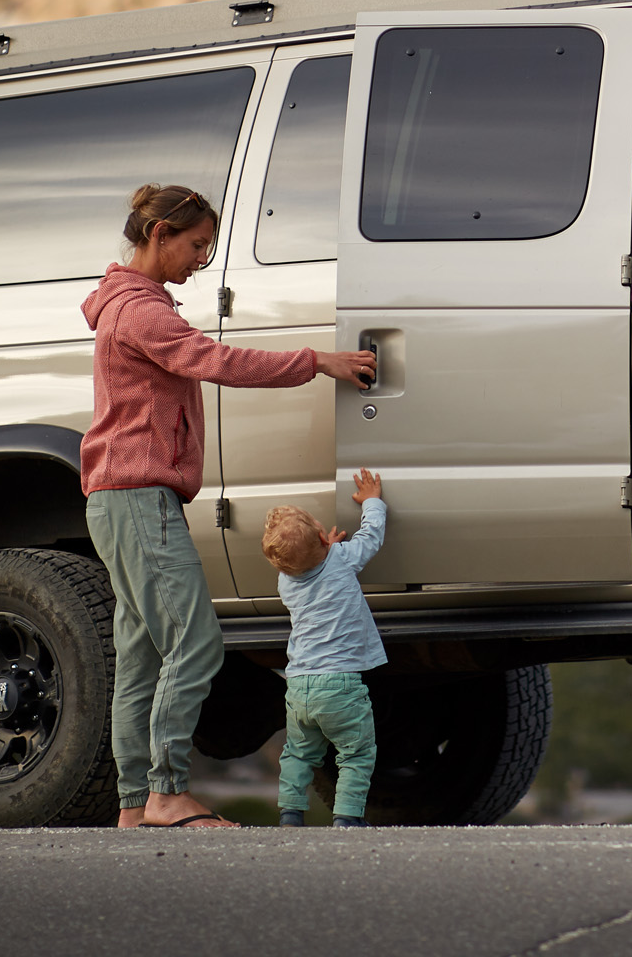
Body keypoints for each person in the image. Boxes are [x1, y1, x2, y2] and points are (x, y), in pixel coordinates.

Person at [80, 183, 376, 829]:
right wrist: (316, 361)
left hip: (117, 498)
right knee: (196, 641)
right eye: (196, 245)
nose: (200, 260)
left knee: (141, 652)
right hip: (136, 497)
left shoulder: (124, 305)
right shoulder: (141, 312)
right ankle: (165, 792)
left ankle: (134, 806)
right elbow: (219, 361)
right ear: (159, 235)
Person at [263, 479, 389, 828]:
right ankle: (347, 817)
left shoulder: (285, 582)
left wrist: (323, 549)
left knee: (298, 752)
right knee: (355, 753)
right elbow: (370, 538)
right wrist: (372, 502)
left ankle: (290, 812)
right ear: (324, 539)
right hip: (340, 685)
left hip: (299, 684)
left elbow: (309, 569)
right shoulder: (341, 558)